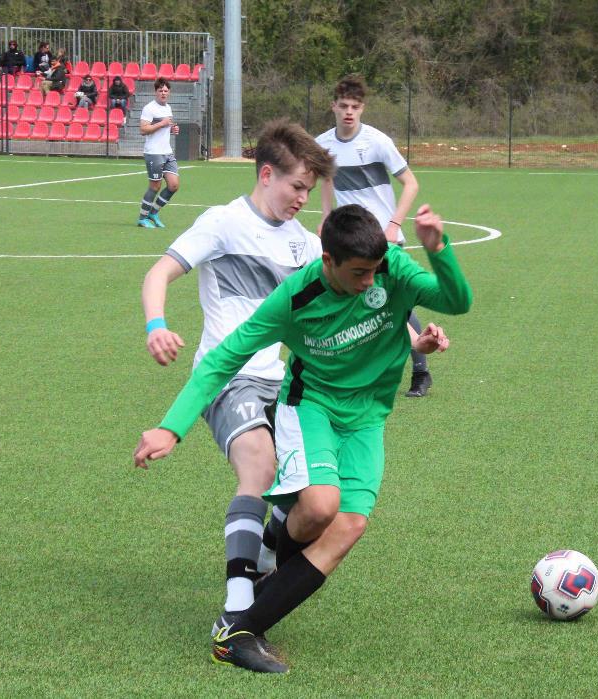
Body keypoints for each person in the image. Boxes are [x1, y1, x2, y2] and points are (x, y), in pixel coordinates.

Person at [133, 201, 470, 674]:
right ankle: (256, 590)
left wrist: (439, 251)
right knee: (319, 507)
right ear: (327, 260)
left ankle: (239, 630)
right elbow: (224, 358)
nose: (370, 282)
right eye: (358, 273)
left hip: (368, 417)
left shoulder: (388, 266)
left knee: (348, 526)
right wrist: (172, 425)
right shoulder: (294, 298)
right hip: (310, 405)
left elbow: (457, 301)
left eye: (374, 270)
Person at [138, 119, 336, 639]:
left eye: (308, 192)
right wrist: (156, 325)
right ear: (266, 174)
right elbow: (159, 272)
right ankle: (238, 604)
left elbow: (351, 293)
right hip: (229, 378)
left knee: (309, 498)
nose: (301, 199)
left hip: (287, 385)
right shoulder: (222, 223)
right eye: (296, 187)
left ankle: (266, 553)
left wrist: (412, 338)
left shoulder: (304, 244)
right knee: (259, 467)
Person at [316, 75, 430, 398]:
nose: (349, 112)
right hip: (349, 240)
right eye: (343, 106)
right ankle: (373, 372)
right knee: (371, 302)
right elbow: (325, 180)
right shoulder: (323, 143)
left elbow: (411, 183)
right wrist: (325, 217)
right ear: (333, 107)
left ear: (362, 108)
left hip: (382, 238)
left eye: (354, 106)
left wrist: (393, 224)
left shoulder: (378, 142)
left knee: (389, 303)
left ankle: (419, 371)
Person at [136, 77, 180, 228]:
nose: (163, 93)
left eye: (165, 91)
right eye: (160, 90)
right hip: (154, 152)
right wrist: (162, 124)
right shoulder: (149, 108)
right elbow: (143, 130)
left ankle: (153, 213)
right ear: (155, 92)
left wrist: (173, 129)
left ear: (169, 92)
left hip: (167, 152)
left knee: (174, 185)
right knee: (155, 186)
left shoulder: (168, 108)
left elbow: (167, 127)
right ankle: (142, 218)